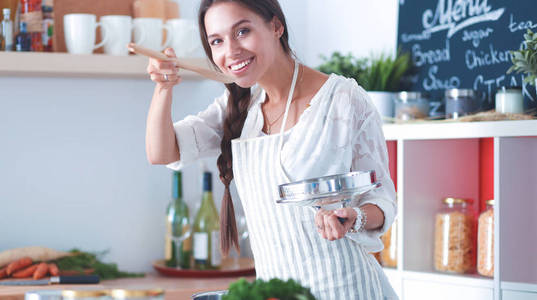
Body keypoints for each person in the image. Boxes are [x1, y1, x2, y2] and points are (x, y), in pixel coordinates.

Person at [145, 0, 397, 299]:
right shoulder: (239, 108)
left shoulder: (343, 100)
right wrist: (163, 88)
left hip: (347, 289)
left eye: (242, 31)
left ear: (276, 26)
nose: (231, 50)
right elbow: (161, 152)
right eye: (217, 41)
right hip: (278, 292)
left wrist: (354, 216)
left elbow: (383, 200)